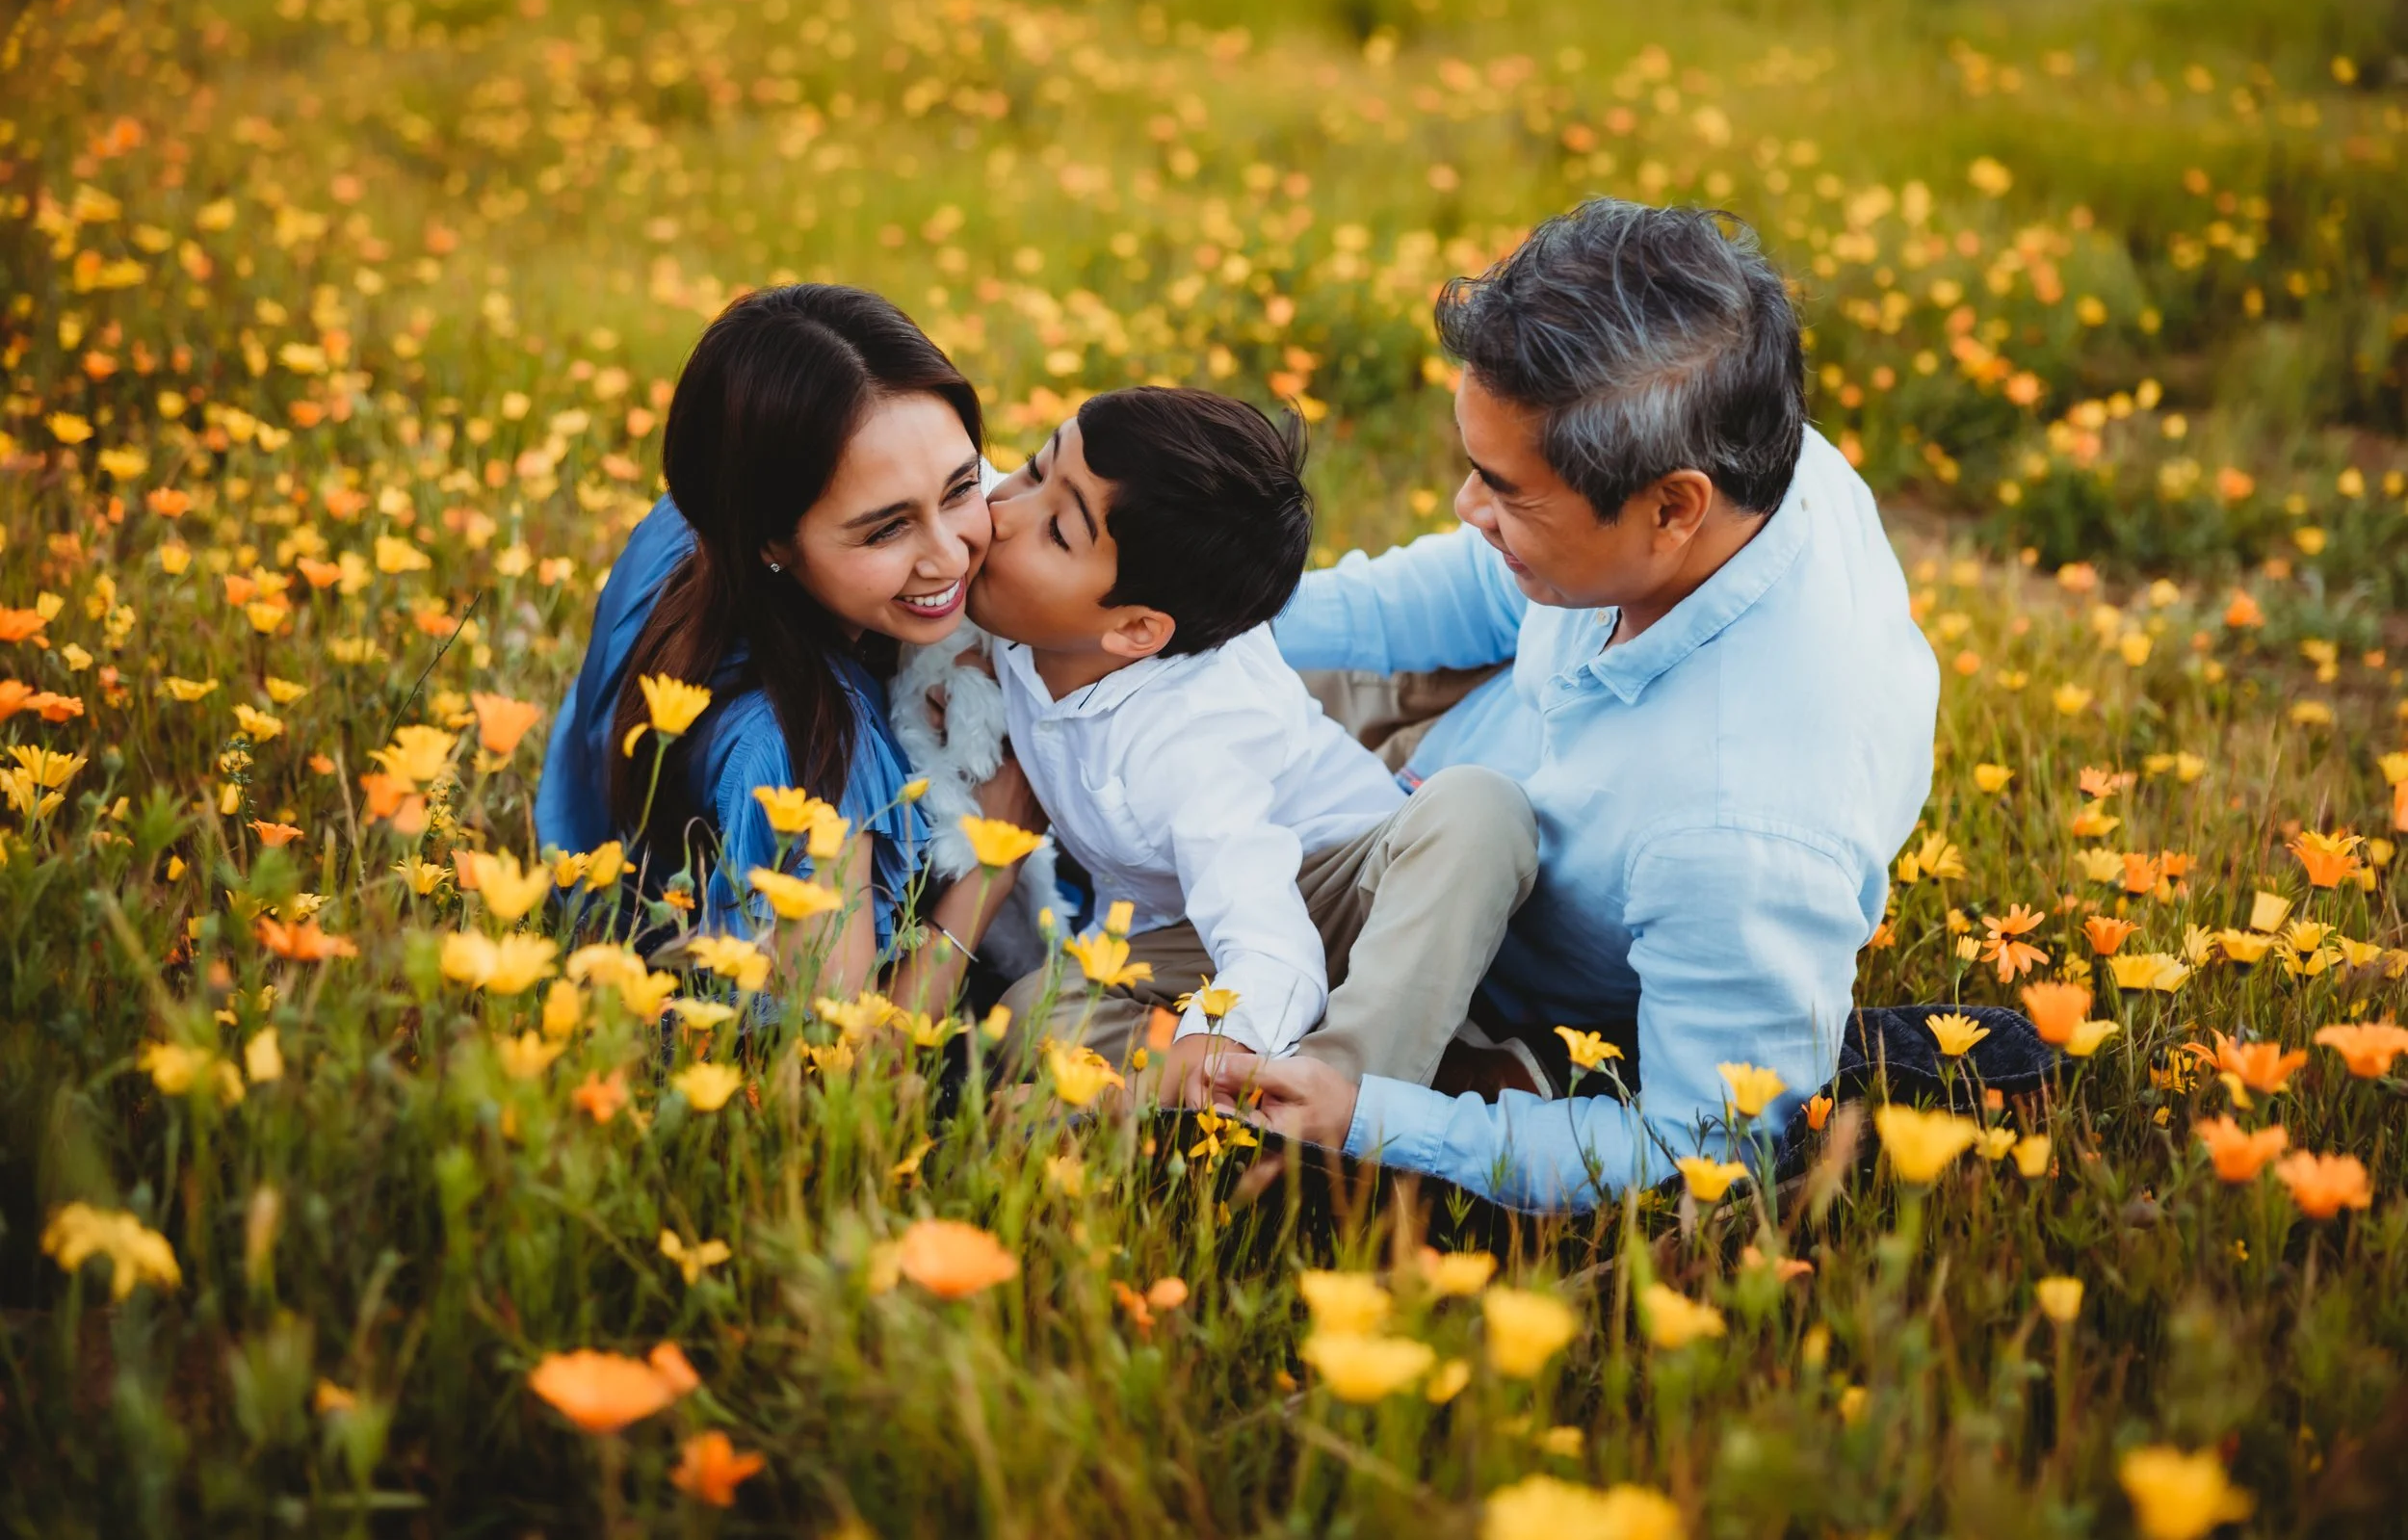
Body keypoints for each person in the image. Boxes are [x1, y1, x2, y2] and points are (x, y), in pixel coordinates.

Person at [1212, 198, 1940, 1210]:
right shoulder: (1747, 453)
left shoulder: (1735, 832)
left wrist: (1370, 1115)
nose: (1471, 510)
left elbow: (1700, 1144)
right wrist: (1214, 612)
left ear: (1672, 506)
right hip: (1438, 739)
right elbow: (1474, 588)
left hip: (1446, 936)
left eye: (1505, 492)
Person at [967, 386, 1539, 1099]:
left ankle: (1337, 1105)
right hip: (1187, 929)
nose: (1001, 511)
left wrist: (1207, 1050)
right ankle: (1444, 1070)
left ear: (1137, 630)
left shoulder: (1190, 744)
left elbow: (1273, 946)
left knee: (1477, 810)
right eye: (1030, 468)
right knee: (1029, 1019)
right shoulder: (1023, 577)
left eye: (1056, 531)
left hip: (1346, 900)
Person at [535, 283, 1043, 1006]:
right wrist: (994, 858)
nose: (950, 557)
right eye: (887, 528)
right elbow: (852, 1063)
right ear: (769, 540)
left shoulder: (690, 526)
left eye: (961, 487)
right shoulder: (808, 764)